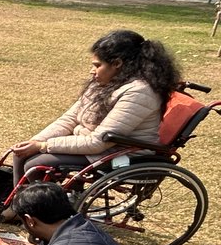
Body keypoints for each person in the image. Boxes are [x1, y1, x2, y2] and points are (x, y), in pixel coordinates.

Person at [9, 30, 179, 186]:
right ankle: (18, 204)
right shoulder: (105, 83)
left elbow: (98, 142)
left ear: (117, 63)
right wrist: (35, 141)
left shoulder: (139, 92)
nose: (92, 71)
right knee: (21, 155)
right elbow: (69, 118)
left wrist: (43, 146)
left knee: (35, 164)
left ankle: (43, 206)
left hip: (121, 155)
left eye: (97, 65)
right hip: (95, 146)